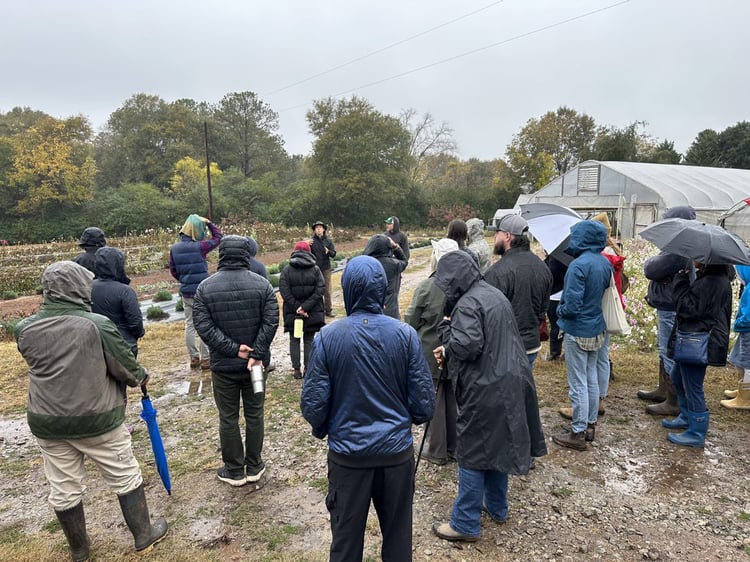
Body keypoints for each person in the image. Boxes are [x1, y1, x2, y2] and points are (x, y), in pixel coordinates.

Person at [15, 261, 167, 560]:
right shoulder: (96, 324)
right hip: (98, 418)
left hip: (47, 421)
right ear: (79, 288)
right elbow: (126, 368)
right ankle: (144, 535)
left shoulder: (24, 328)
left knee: (64, 486)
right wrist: (140, 375)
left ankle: (80, 551)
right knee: (124, 474)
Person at [301, 255, 435, 562]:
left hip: (348, 460)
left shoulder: (328, 337)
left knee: (346, 544)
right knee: (398, 540)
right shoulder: (405, 335)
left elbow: (313, 405)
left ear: (347, 289)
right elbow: (424, 404)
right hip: (395, 458)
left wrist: (325, 428)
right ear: (383, 290)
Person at [431, 251, 546, 542]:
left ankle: (465, 522)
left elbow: (468, 345)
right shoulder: (491, 293)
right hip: (510, 380)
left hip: (485, 388)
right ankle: (497, 506)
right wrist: (449, 350)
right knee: (496, 445)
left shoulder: (468, 303)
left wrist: (446, 330)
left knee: (471, 452)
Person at [193, 236, 279, 486]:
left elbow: (204, 326)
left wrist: (233, 350)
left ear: (221, 255)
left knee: (228, 417)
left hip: (224, 366)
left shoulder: (205, 288)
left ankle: (234, 469)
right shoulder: (262, 285)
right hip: (256, 367)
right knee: (255, 414)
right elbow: (271, 320)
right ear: (246, 254)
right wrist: (256, 353)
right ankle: (254, 465)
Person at [552, 220, 612, 451]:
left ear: (582, 238)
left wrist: (560, 310)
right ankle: (590, 425)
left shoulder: (578, 266)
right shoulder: (604, 263)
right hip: (597, 326)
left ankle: (576, 432)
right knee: (591, 378)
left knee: (577, 383)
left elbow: (573, 304)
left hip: (577, 330)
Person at [661, 260, 732, 448]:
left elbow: (688, 309)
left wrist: (681, 281)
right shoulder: (713, 278)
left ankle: (697, 431)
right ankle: (686, 416)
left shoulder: (711, 282)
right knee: (677, 376)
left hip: (698, 341)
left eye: (698, 256)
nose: (693, 259)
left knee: (693, 387)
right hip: (695, 338)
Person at [404, 238, 459, 466]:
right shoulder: (463, 285)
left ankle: (436, 449)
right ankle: (454, 447)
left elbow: (411, 320)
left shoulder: (427, 287)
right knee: (454, 399)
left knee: (435, 400)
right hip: (456, 351)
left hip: (431, 353)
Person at [639, 206, 697, 416]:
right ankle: (664, 389)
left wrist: (652, 263)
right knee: (664, 349)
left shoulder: (680, 246)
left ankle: (673, 400)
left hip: (670, 305)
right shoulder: (683, 243)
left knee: (668, 349)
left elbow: (652, 269)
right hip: (668, 303)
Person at [485, 214, 552, 368]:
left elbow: (489, 314)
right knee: (524, 387)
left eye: (497, 233)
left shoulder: (497, 272)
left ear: (507, 236)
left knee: (506, 391)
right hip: (531, 344)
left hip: (505, 347)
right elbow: (543, 309)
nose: (495, 237)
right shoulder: (543, 267)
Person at [169, 214, 222, 370]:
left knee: (189, 324)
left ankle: (193, 357)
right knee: (205, 323)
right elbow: (218, 238)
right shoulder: (201, 246)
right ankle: (206, 358)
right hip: (202, 291)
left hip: (186, 292)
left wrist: (184, 280)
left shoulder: (175, 249)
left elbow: (173, 270)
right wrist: (210, 223)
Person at [279, 240, 325, 380]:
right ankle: (308, 367)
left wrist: (297, 307)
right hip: (311, 312)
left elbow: (284, 291)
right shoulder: (316, 270)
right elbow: (320, 289)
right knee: (308, 339)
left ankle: (296, 369)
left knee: (294, 339)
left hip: (294, 313)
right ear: (309, 252)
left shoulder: (287, 270)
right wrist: (305, 307)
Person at [91, 246, 144, 359]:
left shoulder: (85, 288)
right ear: (118, 265)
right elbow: (135, 321)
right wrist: (138, 334)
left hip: (95, 344)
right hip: (123, 345)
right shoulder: (125, 290)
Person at [722, 264, 750, 409]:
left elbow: (748, 317)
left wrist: (739, 322)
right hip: (746, 330)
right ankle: (742, 391)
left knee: (747, 362)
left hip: (748, 330)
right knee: (739, 358)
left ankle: (745, 398)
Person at [363, 234, 408, 319]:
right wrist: (395, 247)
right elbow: (404, 261)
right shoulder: (393, 264)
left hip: (369, 311)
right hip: (390, 311)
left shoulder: (365, 264)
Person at [310, 220, 337, 318]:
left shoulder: (328, 241)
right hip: (315, 269)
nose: (318, 229)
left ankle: (328, 310)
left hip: (326, 268)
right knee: (315, 290)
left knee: (327, 290)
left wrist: (328, 251)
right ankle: (317, 310)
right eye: (316, 228)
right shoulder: (311, 242)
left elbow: (334, 254)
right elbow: (307, 253)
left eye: (320, 227)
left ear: (324, 229)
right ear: (314, 230)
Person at [544, 253, 568, 361]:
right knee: (563, 325)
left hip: (555, 295)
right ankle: (562, 352)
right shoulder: (568, 255)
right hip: (564, 294)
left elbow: (550, 273)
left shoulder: (555, 257)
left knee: (555, 325)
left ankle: (555, 353)